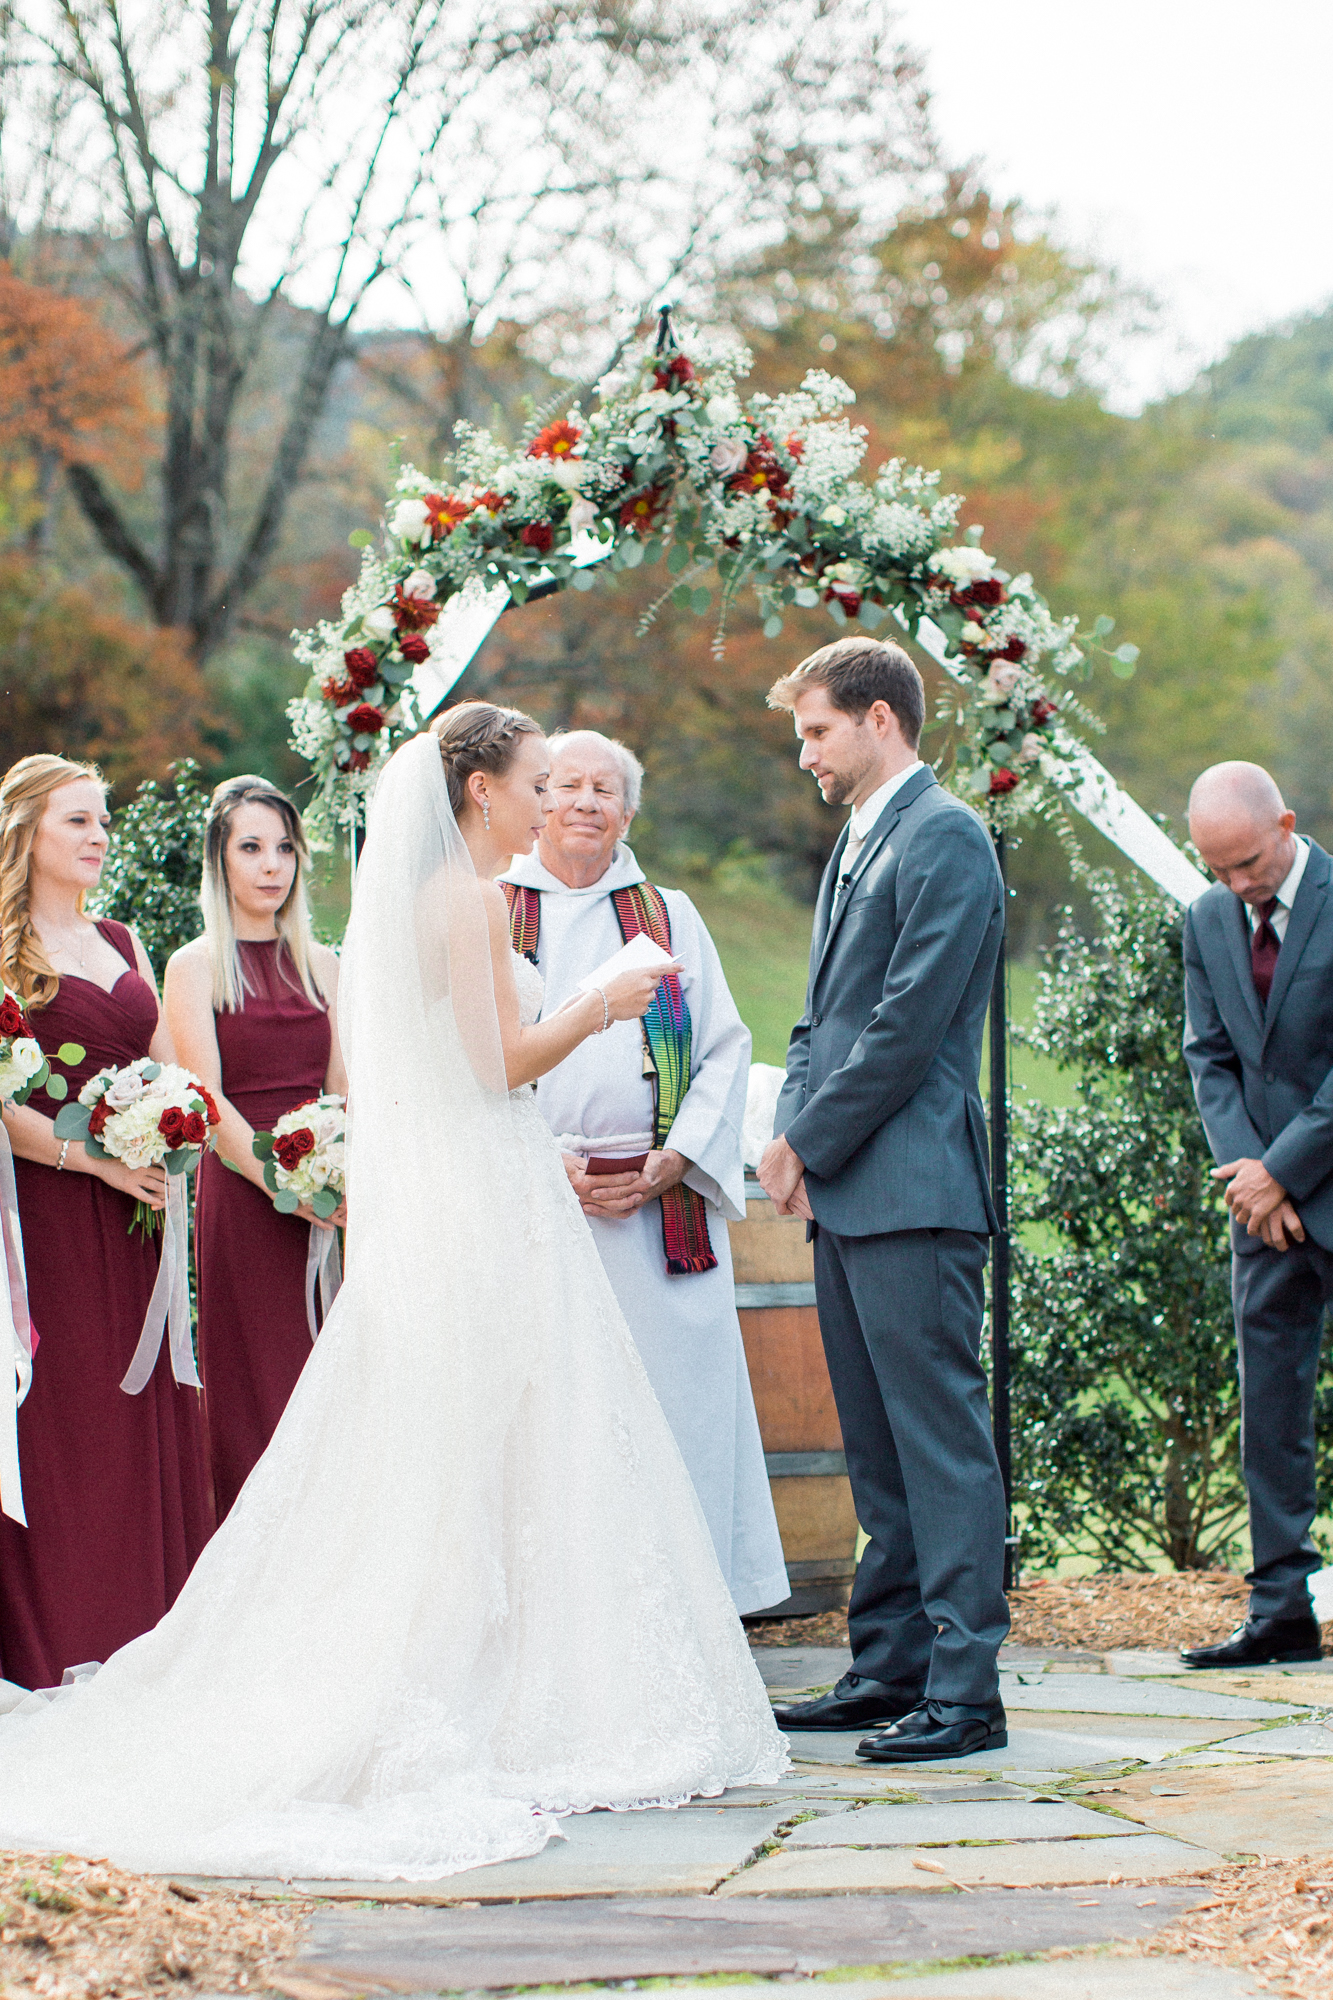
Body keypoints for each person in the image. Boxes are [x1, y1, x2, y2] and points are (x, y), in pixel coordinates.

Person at [0, 705, 785, 1877]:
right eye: (530, 782)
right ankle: (501, 1691)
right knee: (503, 1429)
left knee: (480, 1434)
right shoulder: (464, 900)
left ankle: (505, 1675)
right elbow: (494, 1064)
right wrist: (601, 1005)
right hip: (485, 1191)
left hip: (476, 1188)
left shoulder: (427, 903)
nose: (541, 800)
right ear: (479, 792)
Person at [758, 638, 1010, 1764]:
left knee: (939, 1443)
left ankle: (966, 1691)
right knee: (876, 1449)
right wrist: (789, 1136)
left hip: (913, 1187)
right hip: (847, 1190)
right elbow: (820, 1020)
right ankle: (887, 1666)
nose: (805, 754)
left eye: (815, 730)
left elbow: (907, 1024)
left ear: (878, 718)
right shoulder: (856, 842)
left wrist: (808, 1135)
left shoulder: (947, 835)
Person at [499, 730, 788, 1616]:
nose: (586, 801)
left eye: (606, 789)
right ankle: (569, 1614)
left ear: (629, 812)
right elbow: (472, 1061)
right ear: (537, 802)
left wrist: (675, 1157)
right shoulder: (494, 909)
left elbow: (725, 1048)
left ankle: (683, 1612)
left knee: (673, 1417)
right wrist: (547, 1167)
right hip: (537, 1204)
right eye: (568, 785)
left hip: (657, 1210)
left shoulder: (669, 917)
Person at [0, 754, 212, 1691]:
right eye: (77, 822)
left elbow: (168, 1061)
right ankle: (65, 1633)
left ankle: (149, 1633)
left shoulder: (123, 941)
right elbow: (4, 1106)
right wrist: (97, 1161)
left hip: (140, 1216)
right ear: (28, 836)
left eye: (101, 822)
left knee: (139, 1414)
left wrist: (175, 1127)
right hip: (48, 1213)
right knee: (70, 1417)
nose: (97, 838)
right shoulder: (5, 954)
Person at [1178, 761, 1333, 1669]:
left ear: (1283, 822)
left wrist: (1280, 1171)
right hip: (1261, 1210)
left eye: (1247, 864)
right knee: (1269, 1410)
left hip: (1305, 1181)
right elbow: (1209, 1054)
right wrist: (1248, 1178)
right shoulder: (1204, 919)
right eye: (1218, 870)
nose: (1237, 886)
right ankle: (1280, 1611)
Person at [165, 777, 346, 1524]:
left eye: (284, 848)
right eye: (251, 848)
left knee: (332, 1376)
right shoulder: (194, 965)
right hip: (245, 1194)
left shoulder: (325, 965)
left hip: (332, 1201)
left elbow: (345, 1087)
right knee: (258, 1381)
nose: (272, 865)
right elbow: (205, 1100)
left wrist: (337, 1176)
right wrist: (281, 1181)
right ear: (220, 859)